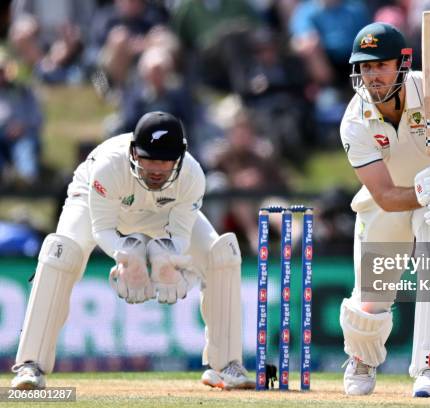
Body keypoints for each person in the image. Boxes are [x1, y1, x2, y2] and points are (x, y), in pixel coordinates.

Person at [10, 111, 255, 391]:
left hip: (161, 210)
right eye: (149, 160)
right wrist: (129, 258)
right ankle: (30, 364)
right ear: (134, 152)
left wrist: (165, 261)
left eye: (165, 162)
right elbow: (102, 229)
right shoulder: (108, 167)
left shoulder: (192, 175)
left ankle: (225, 366)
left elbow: (179, 236)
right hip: (94, 201)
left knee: (220, 255)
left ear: (180, 157)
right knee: (60, 252)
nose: (156, 171)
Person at [338, 23, 430, 397]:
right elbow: (383, 195)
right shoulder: (354, 120)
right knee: (373, 290)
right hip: (391, 199)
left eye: (380, 64)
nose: (372, 75)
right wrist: (421, 193)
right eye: (364, 67)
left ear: (402, 62)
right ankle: (362, 358)